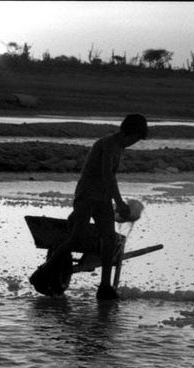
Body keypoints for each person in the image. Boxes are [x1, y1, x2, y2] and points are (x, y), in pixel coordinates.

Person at [46, 114, 148, 300]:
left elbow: (109, 178)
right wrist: (119, 203)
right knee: (76, 238)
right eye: (136, 138)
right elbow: (107, 175)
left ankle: (104, 287)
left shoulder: (118, 146)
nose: (134, 143)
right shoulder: (108, 145)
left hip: (102, 198)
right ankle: (44, 272)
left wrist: (114, 201)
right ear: (130, 132)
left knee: (109, 240)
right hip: (87, 196)